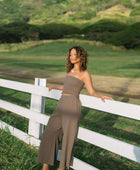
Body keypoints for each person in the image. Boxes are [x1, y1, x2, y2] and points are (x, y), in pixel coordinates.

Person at [37, 46, 114, 170]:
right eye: (70, 55)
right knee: (49, 133)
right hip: (61, 104)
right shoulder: (70, 71)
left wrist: (100, 95)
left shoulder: (84, 74)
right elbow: (67, 86)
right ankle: (45, 165)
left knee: (68, 137)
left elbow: (91, 91)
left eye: (74, 55)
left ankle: (61, 167)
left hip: (72, 105)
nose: (71, 57)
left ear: (81, 56)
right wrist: (55, 86)